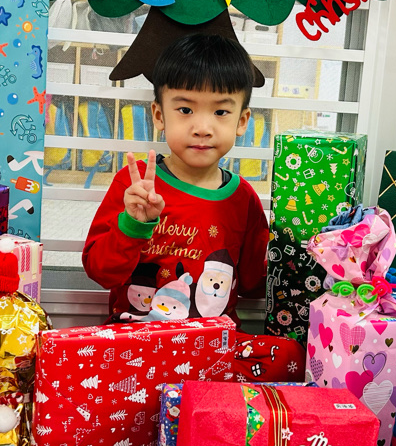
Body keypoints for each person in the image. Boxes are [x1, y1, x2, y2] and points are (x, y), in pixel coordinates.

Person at [83, 34, 268, 326]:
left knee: (288, 351)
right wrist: (132, 225)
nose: (202, 128)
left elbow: (253, 284)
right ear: (159, 115)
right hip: (136, 342)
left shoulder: (243, 198)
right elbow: (100, 273)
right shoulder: (134, 186)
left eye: (221, 112)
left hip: (213, 346)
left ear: (242, 121)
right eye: (185, 110)